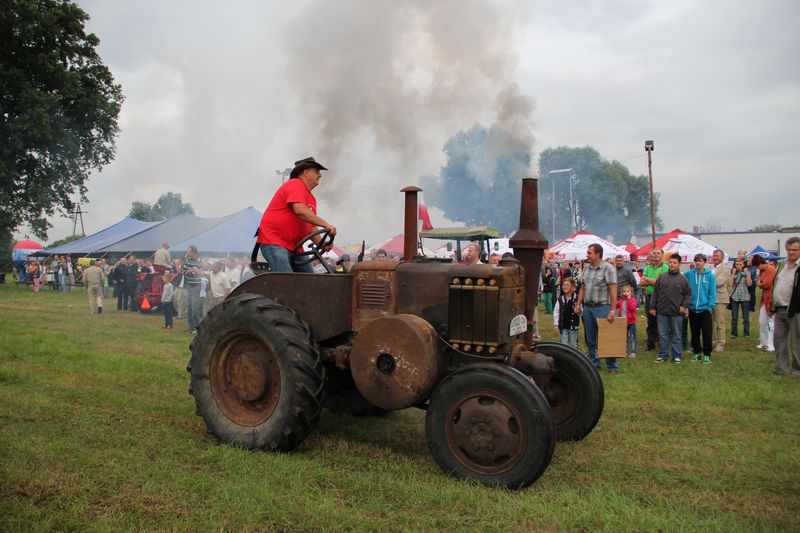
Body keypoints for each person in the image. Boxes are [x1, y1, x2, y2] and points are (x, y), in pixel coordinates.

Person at [257, 157, 336, 273]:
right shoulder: (295, 184)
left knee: (309, 281)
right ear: (306, 172)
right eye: (317, 171)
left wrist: (321, 243)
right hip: (275, 242)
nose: (320, 175)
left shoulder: (311, 199)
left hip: (295, 248)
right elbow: (300, 211)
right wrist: (325, 224)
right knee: (288, 281)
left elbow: (311, 226)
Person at [575, 243, 619, 374]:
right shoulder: (586, 269)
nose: (587, 255)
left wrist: (612, 310)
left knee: (607, 337)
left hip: (603, 308)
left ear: (598, 254)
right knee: (591, 338)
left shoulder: (608, 268)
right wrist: (578, 304)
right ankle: (594, 364)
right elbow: (582, 288)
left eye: (589, 253)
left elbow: (613, 291)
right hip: (588, 308)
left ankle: (612, 366)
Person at [651, 253, 691, 363]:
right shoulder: (662, 277)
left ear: (679, 264)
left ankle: (677, 355)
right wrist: (652, 306)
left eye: (674, 263)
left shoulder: (683, 279)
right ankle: (663, 355)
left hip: (676, 312)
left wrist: (684, 306)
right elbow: (655, 293)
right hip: (662, 311)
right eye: (670, 262)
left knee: (676, 335)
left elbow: (688, 295)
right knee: (663, 335)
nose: (672, 264)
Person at [770, 237, 800, 377]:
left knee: (796, 341)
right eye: (789, 249)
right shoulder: (782, 265)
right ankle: (782, 368)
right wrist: (773, 307)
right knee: (779, 340)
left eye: (795, 250)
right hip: (780, 308)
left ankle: (796, 370)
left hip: (795, 310)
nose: (791, 252)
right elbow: (776, 285)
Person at [685, 253, 716, 364]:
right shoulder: (689, 274)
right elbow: (684, 286)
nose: (698, 263)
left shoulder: (710, 275)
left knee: (707, 332)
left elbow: (712, 292)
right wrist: (687, 306)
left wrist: (710, 306)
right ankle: (696, 352)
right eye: (696, 260)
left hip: (705, 309)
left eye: (700, 260)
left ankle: (707, 354)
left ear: (704, 262)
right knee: (695, 332)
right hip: (693, 309)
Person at [639, 248, 669, 351]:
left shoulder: (665, 267)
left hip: (661, 298)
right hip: (649, 298)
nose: (656, 255)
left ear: (662, 255)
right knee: (651, 321)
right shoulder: (648, 267)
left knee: (661, 322)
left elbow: (661, 282)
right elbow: (641, 283)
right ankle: (650, 345)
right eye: (654, 253)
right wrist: (653, 281)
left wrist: (647, 279)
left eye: (658, 253)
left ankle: (662, 344)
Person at [709, 250, 732, 352]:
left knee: (719, 322)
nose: (715, 257)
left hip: (720, 299)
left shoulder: (726, 268)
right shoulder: (709, 268)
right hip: (709, 299)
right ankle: (713, 340)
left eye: (717, 256)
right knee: (710, 322)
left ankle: (720, 343)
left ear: (722, 257)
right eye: (714, 256)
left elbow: (718, 282)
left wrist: (706, 281)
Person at [753, 255, 776, 352]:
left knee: (771, 323)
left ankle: (771, 344)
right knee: (762, 322)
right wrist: (761, 283)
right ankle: (763, 343)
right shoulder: (762, 271)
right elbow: (760, 282)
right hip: (764, 299)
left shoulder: (770, 269)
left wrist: (761, 284)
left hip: (771, 298)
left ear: (760, 263)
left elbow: (765, 284)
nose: (757, 268)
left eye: (757, 266)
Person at [729, 257, 753, 339]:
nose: (739, 266)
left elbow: (749, 284)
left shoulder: (746, 272)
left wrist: (747, 274)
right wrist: (733, 273)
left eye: (740, 264)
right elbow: (730, 283)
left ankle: (746, 333)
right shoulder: (734, 272)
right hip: (735, 296)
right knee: (734, 317)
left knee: (745, 317)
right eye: (737, 264)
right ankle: (734, 333)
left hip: (745, 296)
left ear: (744, 265)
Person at [553, 277, 580, 348]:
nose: (565, 286)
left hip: (573, 327)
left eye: (567, 285)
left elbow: (581, 312)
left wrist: (579, 311)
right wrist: (556, 325)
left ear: (573, 288)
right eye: (564, 285)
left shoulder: (577, 299)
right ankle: (565, 357)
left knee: (573, 345)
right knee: (564, 345)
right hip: (563, 327)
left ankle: (573, 358)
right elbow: (556, 312)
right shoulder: (560, 299)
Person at [183, 245, 203, 333]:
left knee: (195, 308)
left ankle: (197, 327)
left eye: (189, 251)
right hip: (188, 286)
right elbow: (183, 271)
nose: (187, 252)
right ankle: (191, 327)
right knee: (189, 308)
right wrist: (189, 271)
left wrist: (191, 271)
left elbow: (200, 273)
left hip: (196, 287)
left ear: (193, 252)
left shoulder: (199, 262)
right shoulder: (187, 262)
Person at [616, 286, 638, 358]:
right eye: (624, 291)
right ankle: (623, 351)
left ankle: (633, 352)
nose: (626, 293)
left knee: (632, 337)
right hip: (623, 321)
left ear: (631, 293)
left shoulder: (633, 300)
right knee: (624, 337)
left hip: (631, 322)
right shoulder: (621, 301)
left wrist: (629, 300)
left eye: (628, 291)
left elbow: (633, 307)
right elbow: (615, 305)